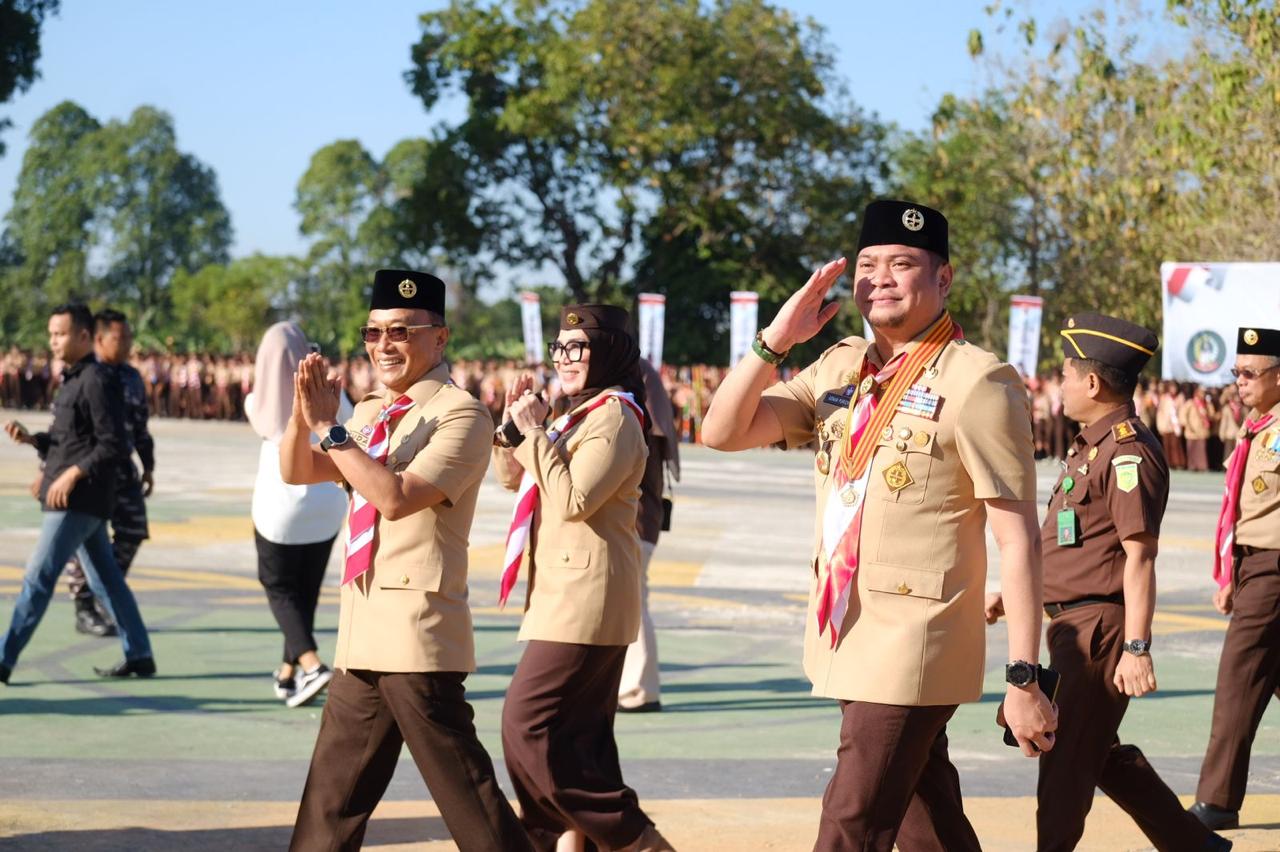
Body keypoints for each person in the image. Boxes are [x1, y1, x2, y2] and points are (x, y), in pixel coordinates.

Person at [701, 200, 1057, 851]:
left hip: (918, 638)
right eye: (868, 266)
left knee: (851, 819)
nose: (882, 278)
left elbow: (1017, 537)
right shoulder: (840, 367)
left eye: (903, 264)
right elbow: (720, 431)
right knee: (927, 819)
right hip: (847, 626)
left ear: (943, 280)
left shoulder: (979, 382)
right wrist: (775, 339)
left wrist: (1025, 677)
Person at [284, 269, 530, 851]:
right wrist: (303, 415)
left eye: (400, 331)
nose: (383, 346)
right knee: (329, 803)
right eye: (373, 334)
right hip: (363, 627)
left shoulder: (461, 415)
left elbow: (394, 498)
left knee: (470, 802)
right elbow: (298, 471)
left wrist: (329, 428)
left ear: (439, 339)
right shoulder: (370, 412)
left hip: (418, 634)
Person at [987, 313, 1229, 852]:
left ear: (1092, 383)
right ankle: (1194, 845)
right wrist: (1019, 593)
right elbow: (1077, 540)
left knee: (1065, 764)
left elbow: (1139, 558)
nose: (1063, 384)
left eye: (1068, 374)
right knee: (1096, 753)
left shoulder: (1127, 453)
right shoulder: (1091, 446)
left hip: (1099, 631)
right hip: (1072, 623)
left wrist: (1137, 648)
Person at [494, 304, 673, 852]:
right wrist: (512, 428)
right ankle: (574, 842)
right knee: (581, 743)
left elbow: (573, 500)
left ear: (610, 354)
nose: (564, 359)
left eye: (579, 347)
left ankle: (634, 839)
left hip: (587, 597)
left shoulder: (617, 416)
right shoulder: (580, 413)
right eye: (559, 347)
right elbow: (511, 479)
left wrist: (537, 433)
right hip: (563, 591)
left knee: (526, 727)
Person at [1, 304, 156, 684]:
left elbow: (113, 443)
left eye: (61, 334)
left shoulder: (97, 380)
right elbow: (69, 441)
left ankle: (3, 660)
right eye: (51, 334)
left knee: (38, 578)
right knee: (107, 581)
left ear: (84, 336)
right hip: (77, 499)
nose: (53, 341)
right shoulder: (73, 380)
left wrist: (71, 474)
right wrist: (33, 440)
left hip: (77, 500)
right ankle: (139, 652)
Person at [1190, 326, 1280, 832]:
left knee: (1238, 678)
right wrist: (1230, 572)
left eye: (1250, 373)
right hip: (1253, 564)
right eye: (1236, 373)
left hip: (1274, 565)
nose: (1239, 382)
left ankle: (1217, 801)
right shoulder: (1257, 426)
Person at [246, 322, 351, 707]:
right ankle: (288, 672)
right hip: (327, 505)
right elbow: (351, 419)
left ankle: (311, 665)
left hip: (281, 507)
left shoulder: (259, 400)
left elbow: (259, 412)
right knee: (305, 589)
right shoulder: (333, 396)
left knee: (278, 586)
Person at [63, 309, 157, 637]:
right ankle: (85, 607)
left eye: (129, 338)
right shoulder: (86, 375)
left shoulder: (131, 377)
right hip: (90, 471)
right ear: (99, 339)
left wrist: (148, 465)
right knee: (84, 539)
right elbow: (64, 431)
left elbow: (141, 427)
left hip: (123, 469)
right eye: (121, 338)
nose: (128, 344)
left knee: (133, 530)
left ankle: (104, 594)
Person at [618, 356, 680, 713]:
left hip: (635, 518)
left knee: (633, 599)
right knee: (630, 599)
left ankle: (639, 689)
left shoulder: (632, 415)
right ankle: (632, 686)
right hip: (639, 516)